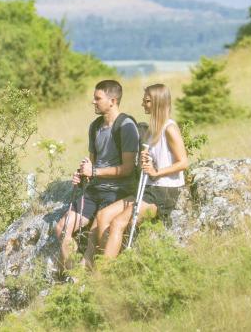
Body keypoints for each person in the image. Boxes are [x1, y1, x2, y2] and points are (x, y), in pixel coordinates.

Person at [92, 83, 189, 260]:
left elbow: (183, 162)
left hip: (164, 191)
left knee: (118, 223)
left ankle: (103, 275)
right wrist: (147, 160)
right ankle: (105, 261)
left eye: (147, 101)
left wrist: (156, 172)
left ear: (158, 102)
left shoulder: (170, 128)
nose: (143, 104)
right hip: (149, 188)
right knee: (103, 215)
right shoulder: (153, 129)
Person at [54, 80, 139, 272]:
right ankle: (74, 275)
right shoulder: (95, 127)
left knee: (93, 244)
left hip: (118, 192)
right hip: (94, 191)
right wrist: (82, 174)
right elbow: (92, 163)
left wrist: (94, 172)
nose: (93, 102)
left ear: (113, 100)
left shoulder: (126, 126)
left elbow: (127, 169)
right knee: (61, 228)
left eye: (97, 98)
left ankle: (82, 282)